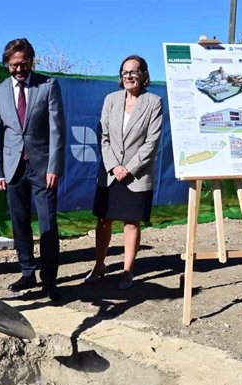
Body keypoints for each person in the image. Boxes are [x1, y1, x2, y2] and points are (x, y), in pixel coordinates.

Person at [0, 38, 66, 301]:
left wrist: (54, 166)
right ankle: (27, 271)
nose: (19, 69)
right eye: (13, 65)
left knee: (47, 224)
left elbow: (58, 130)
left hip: (43, 167)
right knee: (19, 222)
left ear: (31, 61)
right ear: (7, 65)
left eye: (23, 64)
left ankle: (50, 280)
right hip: (13, 169)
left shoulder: (47, 86)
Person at [84, 55, 163, 290]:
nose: (129, 76)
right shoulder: (111, 100)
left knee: (131, 223)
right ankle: (99, 266)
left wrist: (129, 168)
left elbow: (152, 141)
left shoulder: (154, 102)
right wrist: (114, 166)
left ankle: (127, 271)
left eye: (134, 71)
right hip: (110, 171)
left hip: (136, 174)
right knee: (104, 219)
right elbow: (103, 136)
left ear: (144, 75)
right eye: (125, 72)